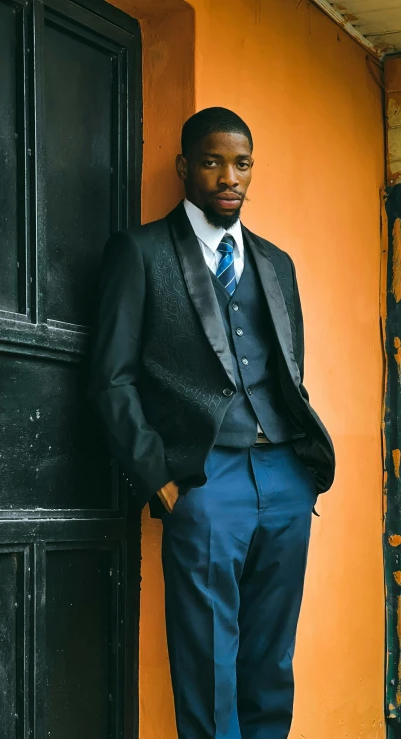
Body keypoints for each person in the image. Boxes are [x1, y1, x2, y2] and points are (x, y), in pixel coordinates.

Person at [90, 107, 335, 739]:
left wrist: (300, 473)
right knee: (206, 662)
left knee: (271, 658)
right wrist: (160, 480)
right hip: (204, 482)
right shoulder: (140, 252)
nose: (230, 177)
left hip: (283, 475)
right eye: (213, 161)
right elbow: (111, 378)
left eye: (242, 163)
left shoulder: (275, 263)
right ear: (184, 168)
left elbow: (288, 367)